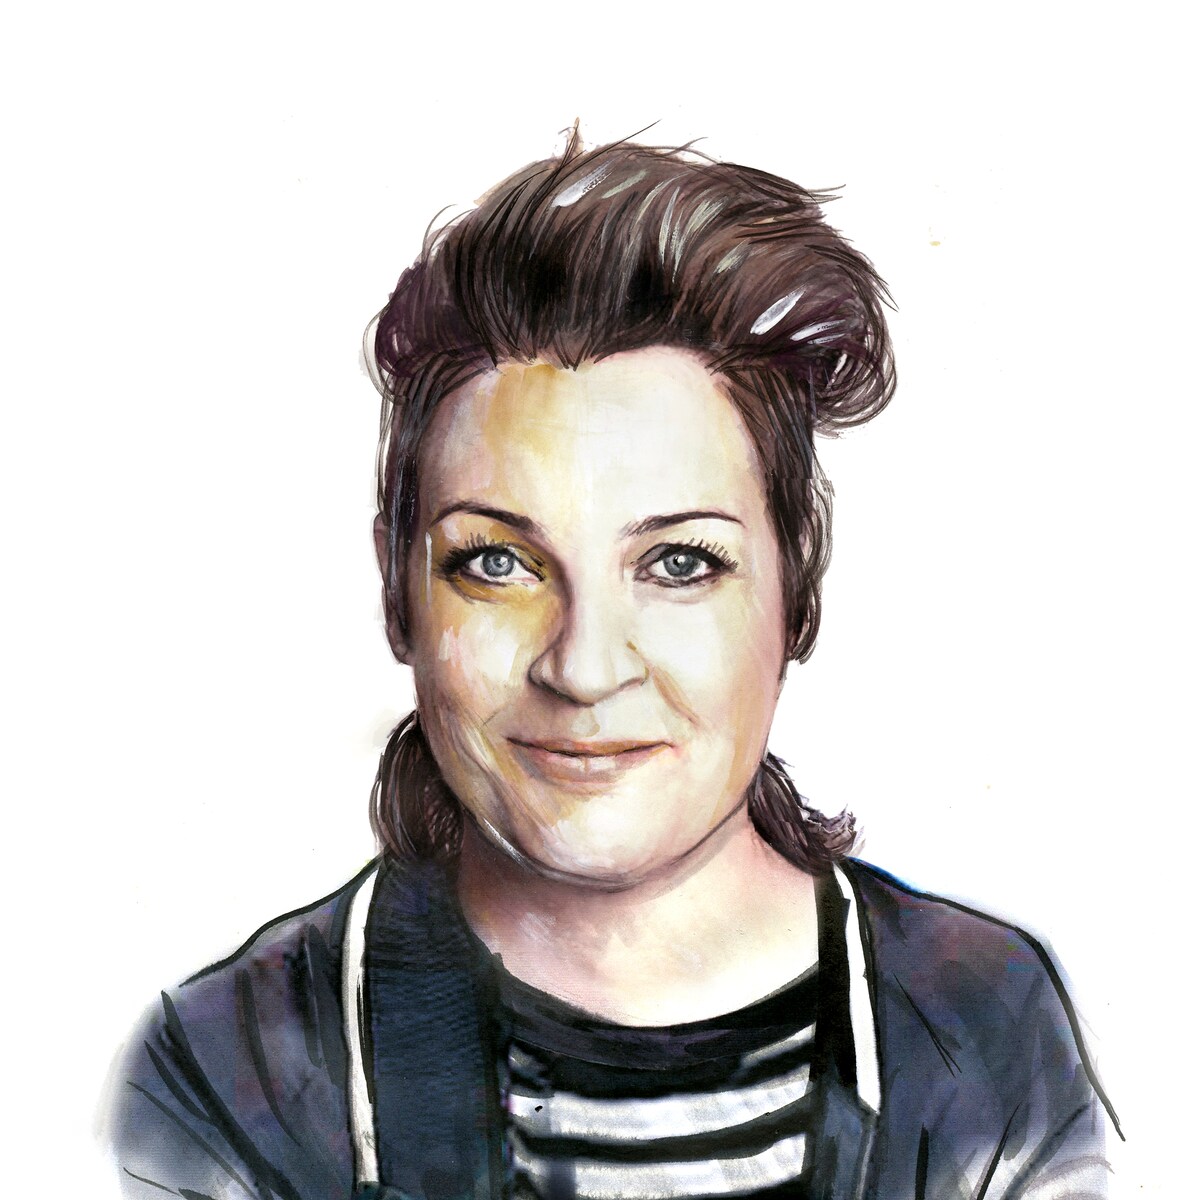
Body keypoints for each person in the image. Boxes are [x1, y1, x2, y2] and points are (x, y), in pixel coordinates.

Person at [108, 132, 1117, 1200]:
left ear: (799, 587)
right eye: (496, 562)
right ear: (398, 590)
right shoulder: (233, 1067)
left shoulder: (982, 1028)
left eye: (679, 563)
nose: (584, 669)